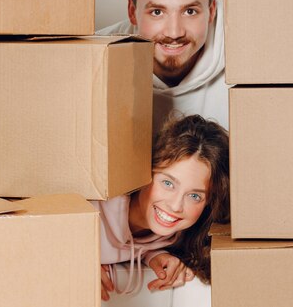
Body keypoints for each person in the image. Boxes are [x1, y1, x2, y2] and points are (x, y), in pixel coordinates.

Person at [96, 0, 228, 131]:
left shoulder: (244, 58)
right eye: (157, 12)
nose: (174, 32)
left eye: (190, 11)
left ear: (211, 12)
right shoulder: (96, 58)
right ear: (133, 12)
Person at [92, 115, 230, 301]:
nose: (175, 206)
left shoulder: (171, 238)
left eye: (194, 196)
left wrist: (154, 255)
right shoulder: (94, 210)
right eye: (167, 183)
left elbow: (134, 243)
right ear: (145, 173)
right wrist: (73, 259)